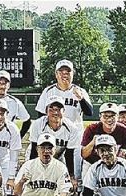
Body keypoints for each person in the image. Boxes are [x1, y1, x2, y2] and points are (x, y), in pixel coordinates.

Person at [28, 95, 83, 196]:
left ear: (64, 111)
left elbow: (70, 153)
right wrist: (33, 171)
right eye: (51, 108)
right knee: (34, 186)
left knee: (71, 188)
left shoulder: (71, 128)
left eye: (58, 108)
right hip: (38, 154)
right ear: (46, 111)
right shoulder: (38, 124)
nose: (55, 112)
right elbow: (34, 149)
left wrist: (71, 177)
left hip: (62, 156)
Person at [34, 60, 93, 189]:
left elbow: (90, 112)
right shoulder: (48, 91)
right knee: (49, 170)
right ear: (56, 74)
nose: (64, 74)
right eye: (61, 71)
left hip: (75, 136)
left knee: (75, 173)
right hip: (53, 136)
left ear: (73, 74)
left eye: (68, 71)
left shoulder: (79, 91)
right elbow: (40, 115)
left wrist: (81, 99)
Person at [80, 102, 126, 172]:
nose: (109, 120)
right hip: (92, 164)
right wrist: (93, 142)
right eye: (105, 116)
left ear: (117, 116)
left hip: (115, 165)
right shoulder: (91, 129)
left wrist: (125, 154)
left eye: (112, 116)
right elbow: (84, 155)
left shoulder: (125, 131)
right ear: (100, 117)